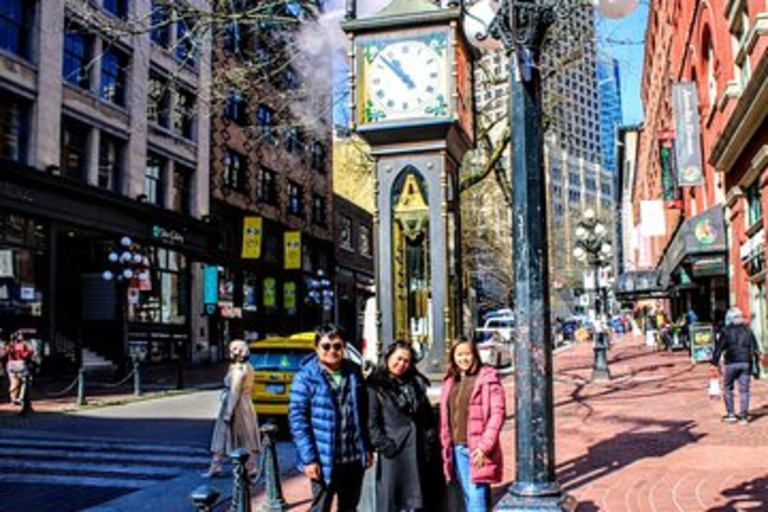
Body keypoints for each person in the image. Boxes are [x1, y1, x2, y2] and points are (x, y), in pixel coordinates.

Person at [289, 324, 373, 512]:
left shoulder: (353, 371)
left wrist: (366, 447)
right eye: (326, 346)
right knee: (321, 507)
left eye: (337, 346)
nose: (332, 351)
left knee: (349, 507)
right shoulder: (305, 377)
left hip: (352, 457)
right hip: (324, 458)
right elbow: (298, 421)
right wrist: (309, 459)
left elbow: (363, 412)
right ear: (316, 348)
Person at [367, 341, 442, 512]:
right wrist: (385, 445)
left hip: (418, 451)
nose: (401, 364)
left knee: (417, 502)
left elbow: (426, 416)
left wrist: (430, 438)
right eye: (398, 359)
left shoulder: (415, 382)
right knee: (393, 502)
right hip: (394, 454)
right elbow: (373, 423)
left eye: (406, 361)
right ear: (388, 357)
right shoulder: (376, 386)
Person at [439, 338, 505, 511]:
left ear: (475, 354)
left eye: (467, 354)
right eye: (459, 355)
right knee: (468, 494)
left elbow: (497, 414)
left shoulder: (487, 378)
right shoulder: (451, 380)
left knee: (476, 493)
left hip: (477, 448)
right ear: (453, 357)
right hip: (456, 447)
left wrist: (485, 446)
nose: (463, 359)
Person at [203, 339, 261, 478]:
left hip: (236, 406)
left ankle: (217, 466)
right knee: (245, 436)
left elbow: (235, 391)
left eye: (235, 349)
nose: (232, 351)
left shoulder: (239, 370)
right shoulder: (247, 367)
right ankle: (250, 466)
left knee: (222, 435)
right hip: (244, 404)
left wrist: (228, 412)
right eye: (232, 348)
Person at [711, 307, 762, 425]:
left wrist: (714, 362)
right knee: (744, 390)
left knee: (728, 387)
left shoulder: (726, 331)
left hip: (731, 362)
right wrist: (756, 365)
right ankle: (744, 417)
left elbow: (719, 348)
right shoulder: (748, 330)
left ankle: (731, 414)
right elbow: (755, 348)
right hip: (746, 362)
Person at [4, 332, 34, 406]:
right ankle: (21, 398)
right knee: (24, 382)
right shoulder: (22, 344)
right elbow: (25, 355)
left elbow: (5, 353)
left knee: (13, 383)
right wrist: (30, 352)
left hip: (10, 364)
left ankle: (13, 399)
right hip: (20, 364)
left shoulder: (9, 345)